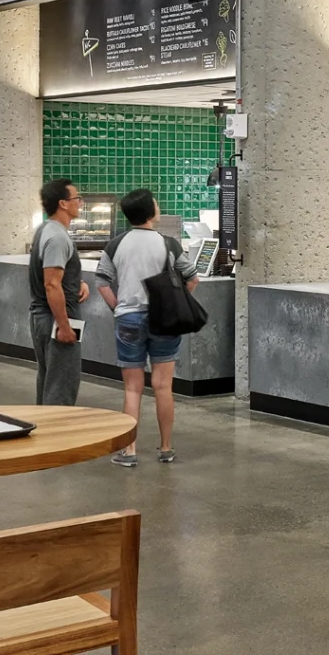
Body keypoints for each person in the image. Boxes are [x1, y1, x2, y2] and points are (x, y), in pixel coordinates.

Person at [97, 188, 197, 467]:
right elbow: (192, 278)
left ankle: (129, 451)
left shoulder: (115, 244)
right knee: (163, 387)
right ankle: (166, 448)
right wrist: (176, 303)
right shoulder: (169, 244)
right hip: (163, 319)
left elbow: (102, 282)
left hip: (128, 319)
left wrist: (118, 307)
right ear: (150, 212)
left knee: (132, 388)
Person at [29, 178, 91, 406]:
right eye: (77, 198)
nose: (80, 203)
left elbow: (55, 276)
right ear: (63, 203)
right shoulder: (57, 237)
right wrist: (64, 326)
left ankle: (44, 426)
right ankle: (56, 427)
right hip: (55, 318)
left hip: (45, 317)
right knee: (61, 387)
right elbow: (51, 284)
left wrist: (77, 283)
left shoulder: (46, 230)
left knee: (49, 380)